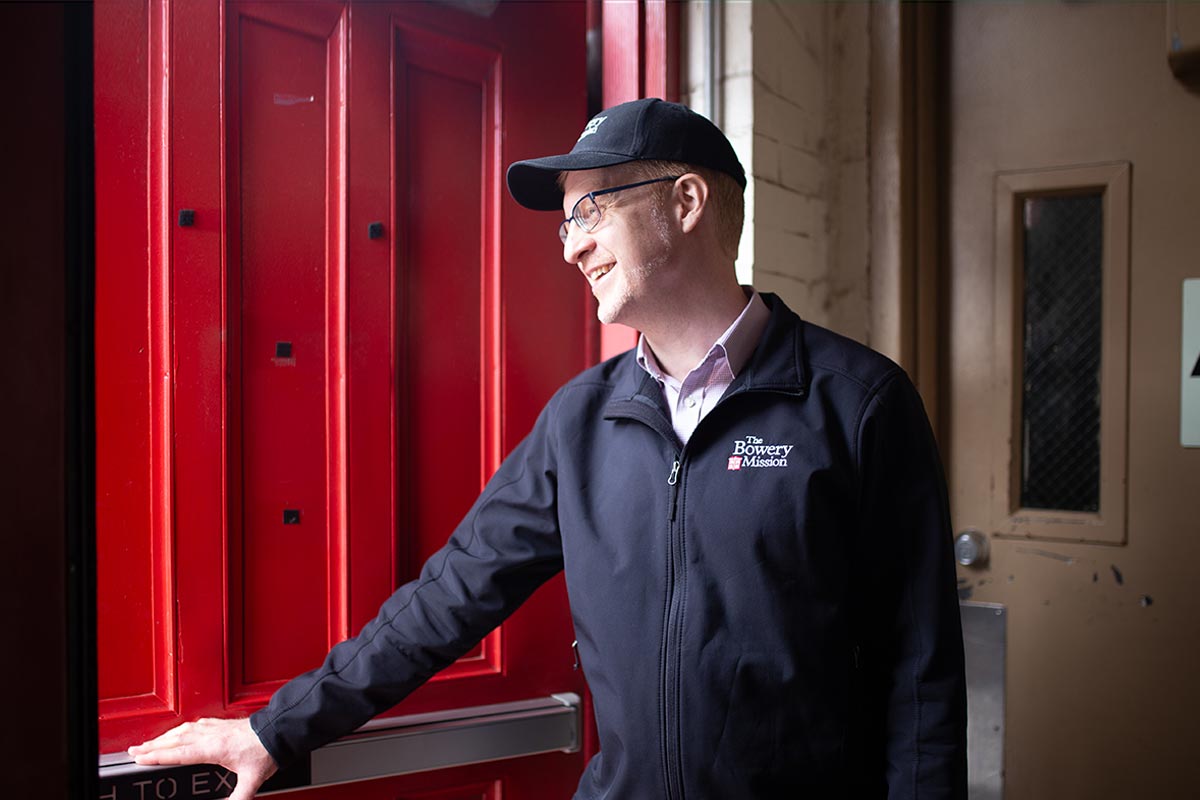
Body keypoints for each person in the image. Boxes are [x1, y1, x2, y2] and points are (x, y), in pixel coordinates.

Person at [130, 98, 967, 799]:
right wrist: (276, 729)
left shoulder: (857, 404)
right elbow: (448, 599)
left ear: (685, 202)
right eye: (566, 223)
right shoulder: (581, 422)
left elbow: (922, 672)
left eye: (591, 209)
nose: (571, 244)